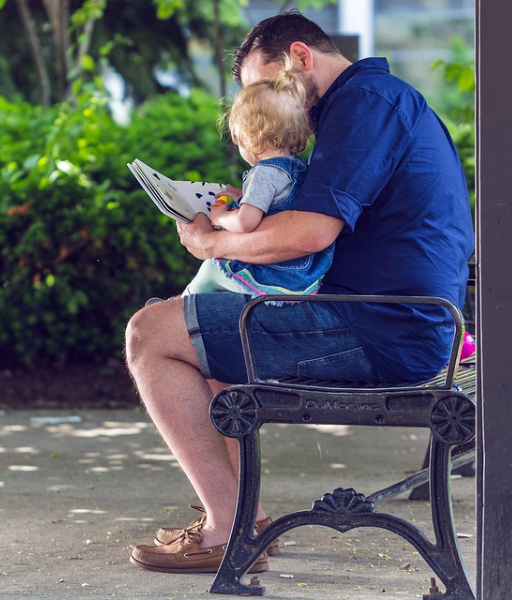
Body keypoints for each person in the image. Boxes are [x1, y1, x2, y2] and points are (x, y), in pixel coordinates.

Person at [126, 10, 474, 574]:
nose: (269, 103)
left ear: (300, 58)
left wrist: (212, 245)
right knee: (208, 337)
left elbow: (310, 233)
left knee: (149, 333)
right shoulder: (368, 102)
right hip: (390, 320)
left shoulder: (365, 105)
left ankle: (223, 529)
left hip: (380, 330)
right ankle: (246, 522)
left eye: (268, 84)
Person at [183, 56, 334, 297]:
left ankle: (181, 304)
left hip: (278, 275)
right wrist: (245, 196)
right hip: (305, 273)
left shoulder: (264, 173)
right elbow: (275, 204)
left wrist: (220, 216)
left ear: (249, 136)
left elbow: (245, 223)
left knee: (211, 269)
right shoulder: (297, 168)